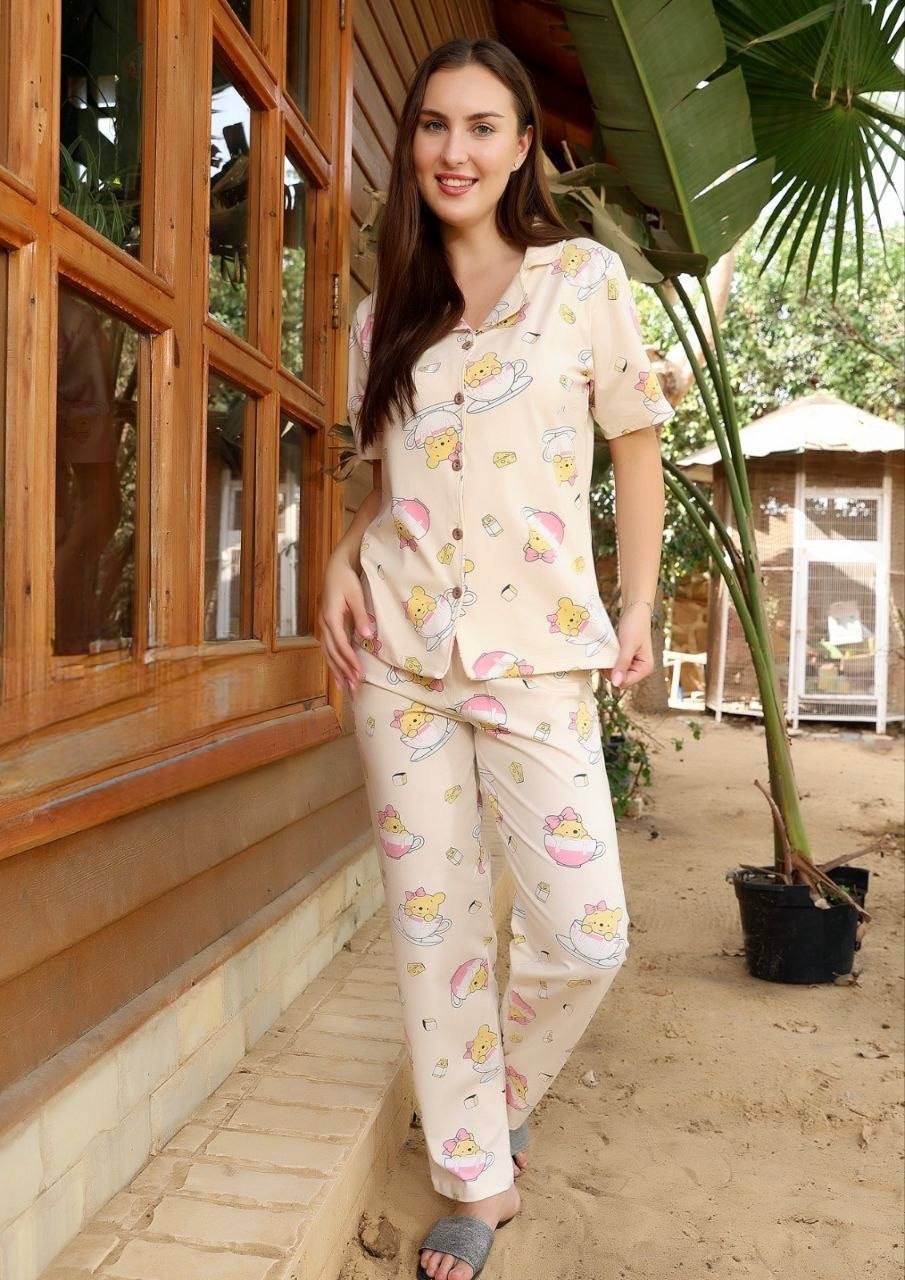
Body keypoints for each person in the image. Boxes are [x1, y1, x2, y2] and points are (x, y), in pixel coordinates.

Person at [317, 36, 674, 1280]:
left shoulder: (581, 281)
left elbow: (635, 442)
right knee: (437, 932)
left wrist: (635, 603)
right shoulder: (383, 318)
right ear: (411, 143)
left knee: (585, 931)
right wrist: (340, 557)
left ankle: (495, 1095)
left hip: (537, 657)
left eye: (480, 127)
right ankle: (476, 1175)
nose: (452, 151)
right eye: (433, 126)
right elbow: (389, 488)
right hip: (399, 658)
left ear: (523, 145)